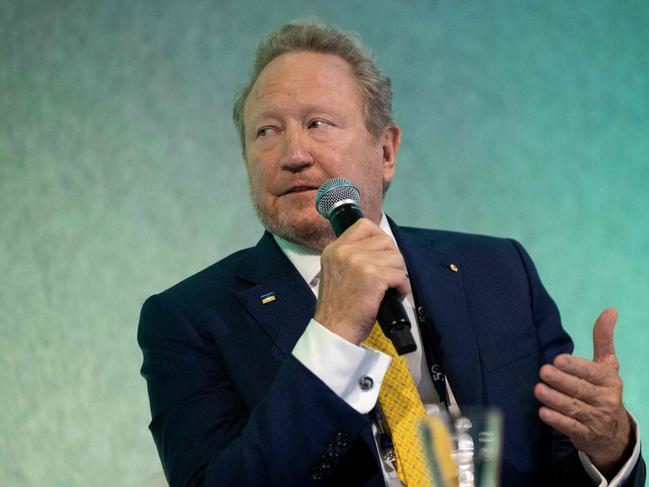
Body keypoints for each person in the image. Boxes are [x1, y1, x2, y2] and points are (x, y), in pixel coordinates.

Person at [138, 20, 645, 486]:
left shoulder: (499, 271)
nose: (293, 155)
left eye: (318, 123)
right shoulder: (189, 320)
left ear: (386, 152)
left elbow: (563, 462)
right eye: (266, 132)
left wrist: (610, 447)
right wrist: (332, 334)